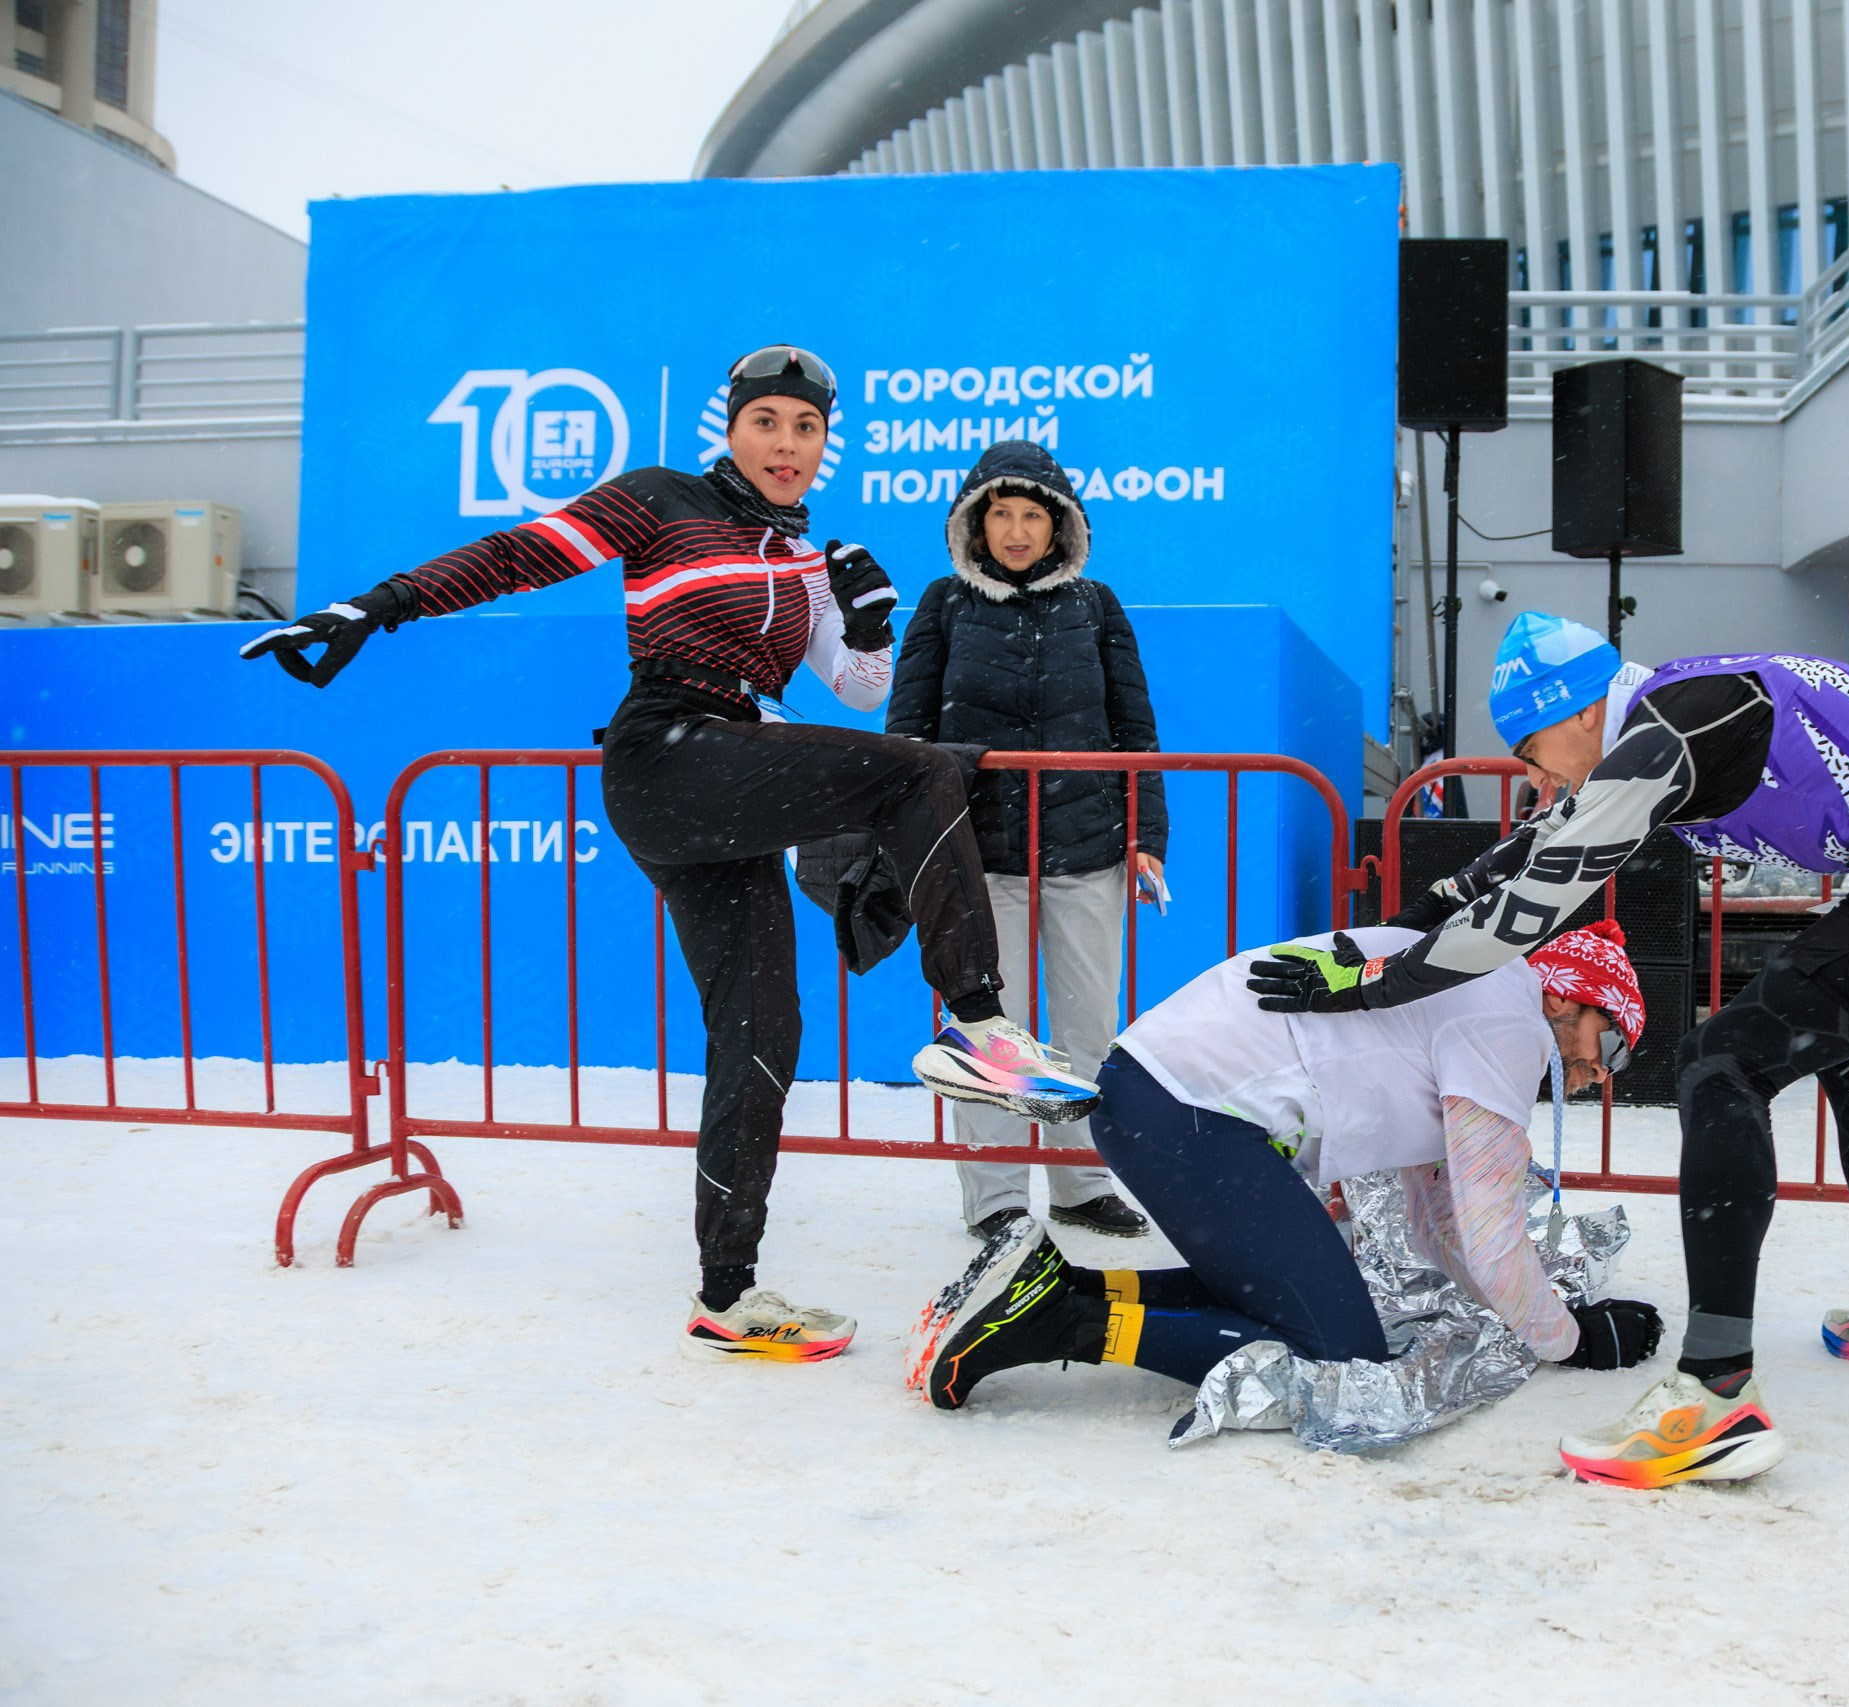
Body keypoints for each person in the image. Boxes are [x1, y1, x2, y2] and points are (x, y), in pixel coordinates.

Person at [239, 345, 1100, 1362]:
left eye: (806, 429)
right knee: (920, 771)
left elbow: (860, 689)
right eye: (767, 422)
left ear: (826, 443)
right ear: (732, 428)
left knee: (762, 1031)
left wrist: (869, 618)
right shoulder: (663, 500)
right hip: (668, 753)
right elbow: (521, 554)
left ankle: (725, 1291)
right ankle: (977, 1024)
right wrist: (380, 605)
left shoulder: (804, 558)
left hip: (729, 784)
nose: (786, 445)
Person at [1245, 612, 1849, 1488]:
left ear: (1580, 715)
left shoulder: (1673, 726)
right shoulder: (1664, 722)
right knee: (1843, 1053)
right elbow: (1535, 848)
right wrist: (1397, 930)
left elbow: (1535, 901)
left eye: (1530, 750)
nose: (1533, 776)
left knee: (1720, 1061)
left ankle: (1714, 1394)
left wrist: (1377, 983)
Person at [907, 921, 1666, 1412]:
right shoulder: (1512, 1017)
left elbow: (1446, 1223)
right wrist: (1573, 1338)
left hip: (1156, 1101)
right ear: (1576, 999)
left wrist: (1531, 1315)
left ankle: (1062, 1285)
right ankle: (1064, 1322)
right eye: (1616, 1045)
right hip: (1190, 1115)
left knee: (1289, 1280)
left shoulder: (1473, 990)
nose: (1603, 1075)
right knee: (1340, 1350)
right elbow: (1491, 1235)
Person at [888, 440, 1165, 1243]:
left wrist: (1147, 832)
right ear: (975, 525)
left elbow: (1134, 729)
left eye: (1032, 515)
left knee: (1086, 1029)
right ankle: (997, 1198)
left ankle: (1083, 1182)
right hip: (979, 856)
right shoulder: (941, 605)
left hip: (1088, 850)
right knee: (988, 1034)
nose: (1015, 530)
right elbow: (907, 733)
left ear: (1060, 526)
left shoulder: (1098, 606)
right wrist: (909, 837)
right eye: (1000, 514)